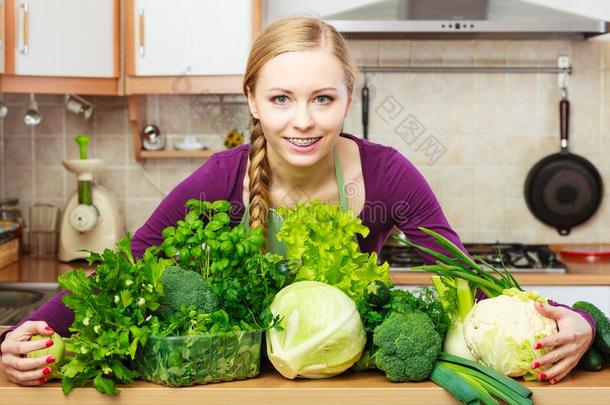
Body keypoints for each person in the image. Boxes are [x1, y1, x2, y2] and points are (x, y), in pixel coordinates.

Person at [0, 17, 594, 386]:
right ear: (253, 101)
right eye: (282, 99)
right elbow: (128, 264)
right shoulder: (220, 178)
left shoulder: (388, 176)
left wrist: (582, 320)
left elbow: (466, 278)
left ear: (347, 100)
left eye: (323, 99)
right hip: (236, 381)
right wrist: (25, 332)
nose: (303, 121)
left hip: (344, 380)